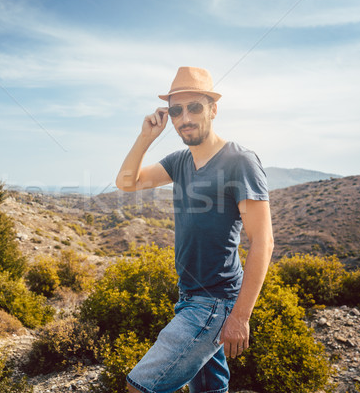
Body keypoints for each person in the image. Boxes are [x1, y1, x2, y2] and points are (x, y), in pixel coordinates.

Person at [115, 66, 274, 393]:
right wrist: (146, 137)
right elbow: (126, 182)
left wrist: (240, 317)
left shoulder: (239, 161)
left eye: (194, 107)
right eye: (176, 110)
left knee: (138, 387)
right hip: (189, 295)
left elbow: (263, 241)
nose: (184, 117)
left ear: (213, 109)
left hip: (215, 301)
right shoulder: (179, 161)